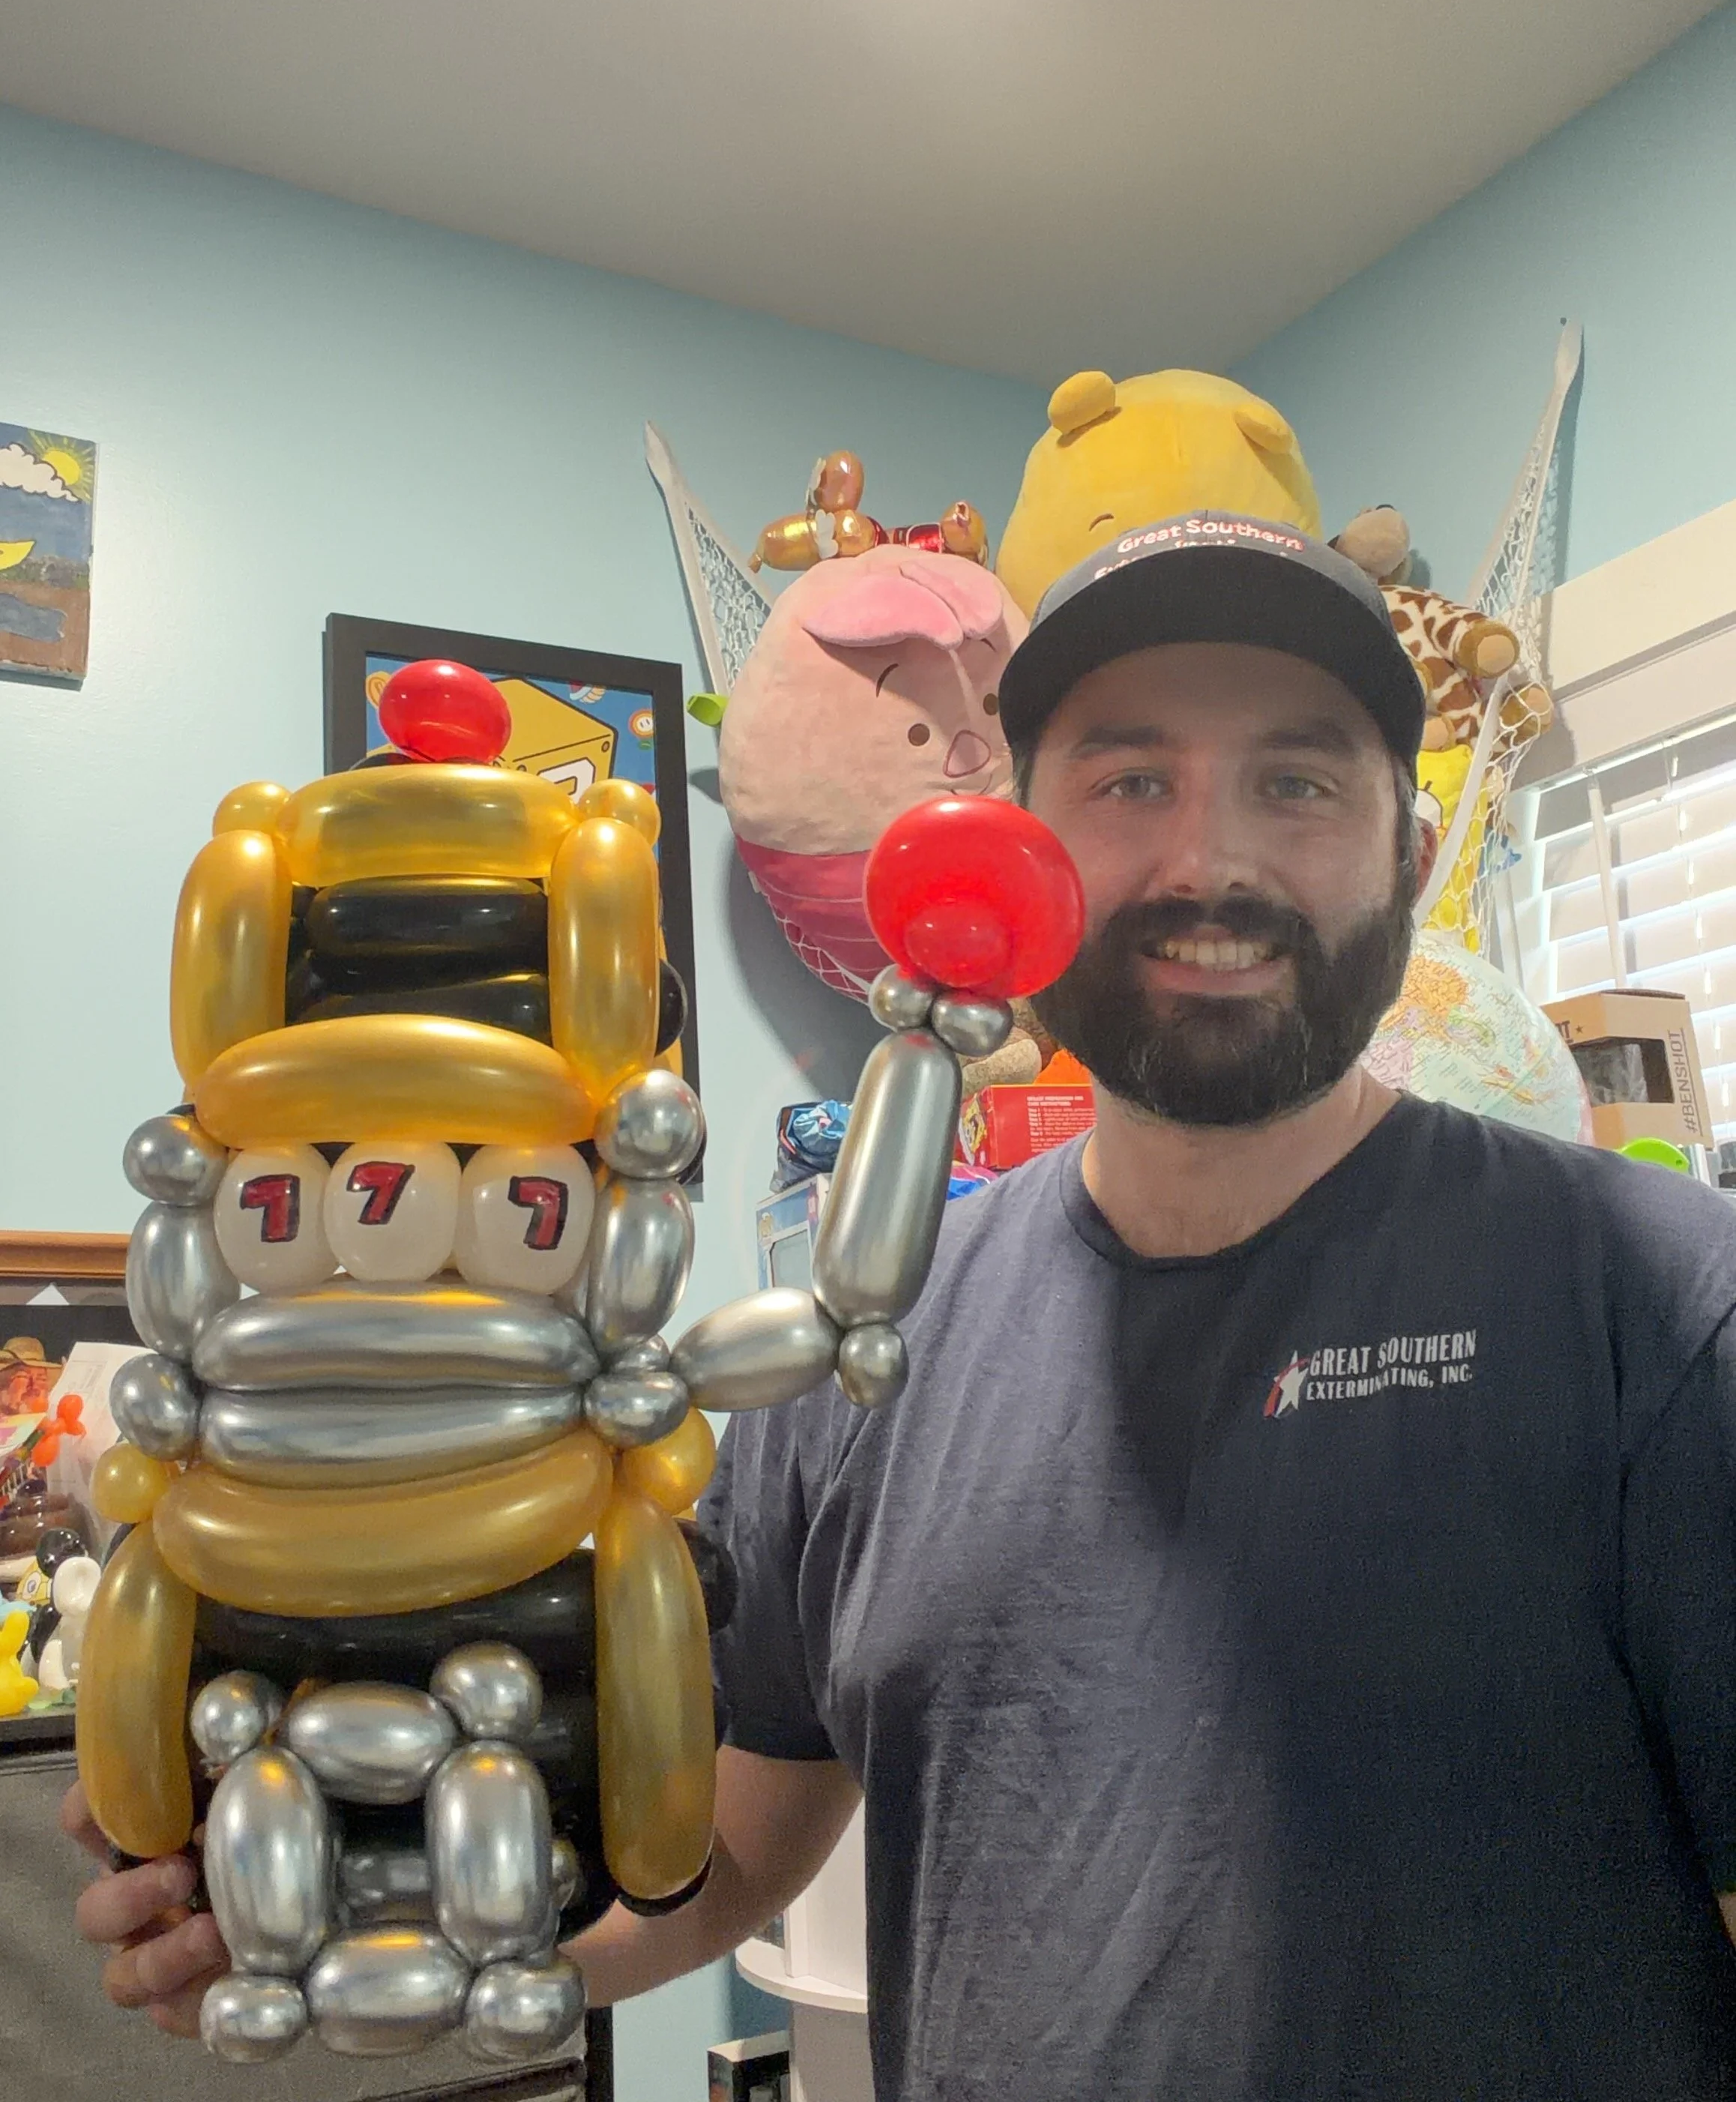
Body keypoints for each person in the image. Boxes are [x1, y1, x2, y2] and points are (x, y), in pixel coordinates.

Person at [67, 514, 1736, 2099]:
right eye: (1129, 774)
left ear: (1416, 848)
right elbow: (709, 1863)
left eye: (1295, 779)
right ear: (1019, 836)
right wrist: (375, 1910)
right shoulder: (856, 1358)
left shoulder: (1664, 1308)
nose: (1207, 857)